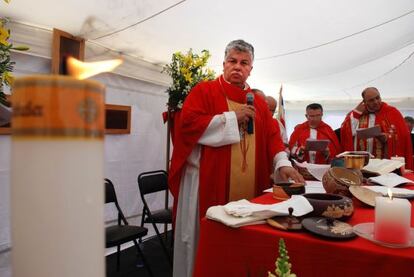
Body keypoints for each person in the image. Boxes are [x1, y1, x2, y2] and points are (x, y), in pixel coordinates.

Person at [168, 39, 304, 277]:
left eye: (244, 63)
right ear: (223, 64)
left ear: (251, 68)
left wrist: (282, 163)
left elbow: (272, 137)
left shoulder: (258, 102)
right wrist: (231, 118)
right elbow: (187, 126)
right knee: (207, 246)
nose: (237, 67)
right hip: (207, 183)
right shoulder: (204, 91)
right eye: (232, 61)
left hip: (249, 187)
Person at [340, 87, 413, 169]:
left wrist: (386, 137)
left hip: (384, 165)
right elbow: (346, 133)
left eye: (377, 98)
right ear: (364, 102)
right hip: (360, 165)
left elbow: (402, 136)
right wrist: (356, 114)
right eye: (371, 100)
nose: (376, 102)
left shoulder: (392, 112)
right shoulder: (356, 114)